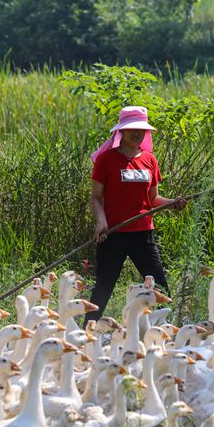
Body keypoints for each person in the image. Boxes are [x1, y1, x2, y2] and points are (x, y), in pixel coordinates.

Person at [85, 106, 186, 323]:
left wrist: (172, 203)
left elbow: (152, 200)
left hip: (143, 235)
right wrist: (101, 222)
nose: (137, 133)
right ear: (121, 131)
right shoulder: (107, 160)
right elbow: (95, 197)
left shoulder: (149, 160)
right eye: (132, 129)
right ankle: (88, 332)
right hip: (113, 234)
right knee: (103, 287)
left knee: (160, 285)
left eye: (141, 129)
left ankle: (166, 330)